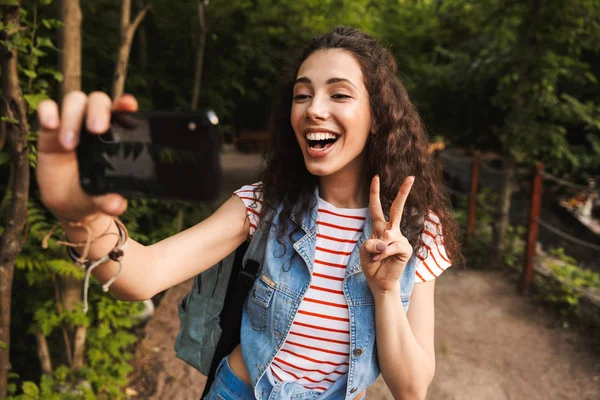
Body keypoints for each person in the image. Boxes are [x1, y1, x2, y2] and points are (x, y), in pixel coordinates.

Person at [36, 27, 460, 400]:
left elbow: (412, 388)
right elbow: (144, 274)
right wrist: (81, 218)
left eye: (339, 93)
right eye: (302, 94)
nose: (313, 108)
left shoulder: (419, 231)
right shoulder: (264, 204)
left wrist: (385, 292)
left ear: (377, 117)